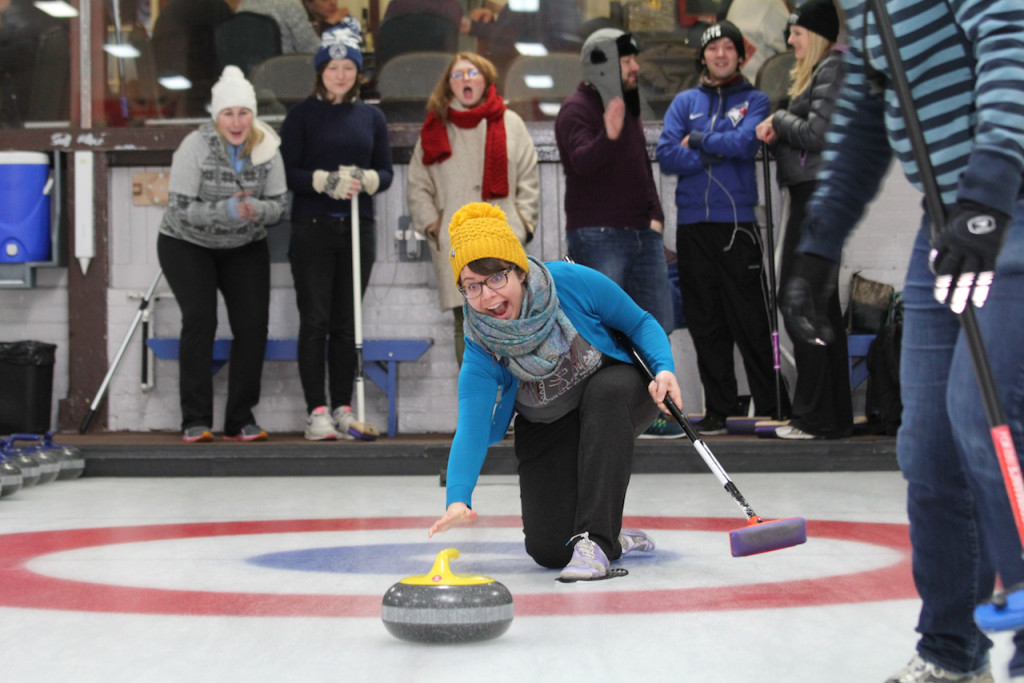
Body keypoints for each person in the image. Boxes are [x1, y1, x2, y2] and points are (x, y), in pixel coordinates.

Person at [778, 0, 1024, 680]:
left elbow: (1012, 39)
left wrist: (992, 189)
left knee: (991, 422)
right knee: (930, 450)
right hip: (945, 218)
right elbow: (861, 117)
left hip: (1003, 203)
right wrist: (818, 249)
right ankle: (953, 653)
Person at [427, 202, 681, 582]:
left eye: (496, 278)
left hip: (619, 392)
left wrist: (664, 368)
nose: (487, 297)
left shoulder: (569, 282)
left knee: (605, 394)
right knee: (548, 550)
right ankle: (612, 538)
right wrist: (457, 499)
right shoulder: (482, 342)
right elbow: (473, 427)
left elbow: (640, 322)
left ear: (519, 271)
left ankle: (596, 540)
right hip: (550, 419)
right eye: (472, 286)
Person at [656, 21, 789, 436]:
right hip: (694, 228)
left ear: (740, 55)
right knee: (705, 323)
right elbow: (666, 156)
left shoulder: (756, 99)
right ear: (703, 56)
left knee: (750, 320)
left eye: (729, 47)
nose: (720, 54)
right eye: (713, 48)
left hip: (738, 227)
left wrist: (695, 141)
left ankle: (772, 405)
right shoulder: (683, 101)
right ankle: (720, 410)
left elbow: (747, 145)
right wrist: (718, 146)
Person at [555, 28, 682, 440]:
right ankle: (613, 415)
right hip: (598, 236)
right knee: (606, 331)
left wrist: (656, 216)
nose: (635, 68)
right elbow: (582, 164)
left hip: (641, 235)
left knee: (656, 321)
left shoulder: (625, 108)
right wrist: (608, 134)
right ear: (604, 63)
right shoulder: (574, 110)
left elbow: (640, 167)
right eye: (627, 61)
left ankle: (653, 411)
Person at [157, 66, 288, 443]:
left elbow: (278, 205)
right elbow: (178, 208)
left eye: (243, 113)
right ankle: (195, 420)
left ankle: (240, 418)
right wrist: (225, 211)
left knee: (252, 326)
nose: (236, 121)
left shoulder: (268, 146)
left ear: (253, 115)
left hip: (243, 244)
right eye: (228, 114)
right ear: (216, 117)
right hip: (186, 242)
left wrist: (256, 211)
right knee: (200, 320)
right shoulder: (194, 146)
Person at [279, 25, 393, 441]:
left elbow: (386, 171)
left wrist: (367, 179)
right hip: (312, 228)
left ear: (358, 72)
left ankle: (344, 407)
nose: (341, 74)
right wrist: (322, 181)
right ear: (320, 70)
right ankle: (317, 411)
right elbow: (288, 172)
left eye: (348, 67)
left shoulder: (371, 117)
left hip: (356, 228)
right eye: (333, 66)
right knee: (316, 320)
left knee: (348, 322)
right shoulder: (300, 116)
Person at [754, 0, 849, 440]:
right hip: (814, 196)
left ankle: (813, 416)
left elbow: (820, 133)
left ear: (816, 34)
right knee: (817, 304)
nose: (789, 40)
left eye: (797, 33)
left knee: (799, 302)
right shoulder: (823, 73)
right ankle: (833, 415)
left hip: (816, 198)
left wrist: (779, 118)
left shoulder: (832, 70)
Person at [406, 52, 539, 365]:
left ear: (486, 79)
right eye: (458, 75)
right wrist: (433, 226)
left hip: (502, 239)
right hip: (457, 242)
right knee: (464, 325)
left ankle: (516, 407)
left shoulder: (510, 123)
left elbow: (529, 178)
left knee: (511, 321)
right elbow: (417, 185)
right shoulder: (435, 127)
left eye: (473, 73)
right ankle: (477, 407)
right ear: (448, 85)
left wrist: (522, 223)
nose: (466, 80)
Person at [150, 0, 234, 117]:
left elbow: (159, 52)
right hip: (206, 85)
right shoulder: (218, 7)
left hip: (186, 87)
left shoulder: (173, 9)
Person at [725, 0, 790, 83]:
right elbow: (792, 48)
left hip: (738, 82)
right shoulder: (771, 4)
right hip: (766, 85)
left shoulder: (737, 3)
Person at [236, 0, 321, 54]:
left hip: (253, 76)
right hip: (287, 74)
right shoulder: (290, 6)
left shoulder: (242, 7)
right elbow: (312, 50)